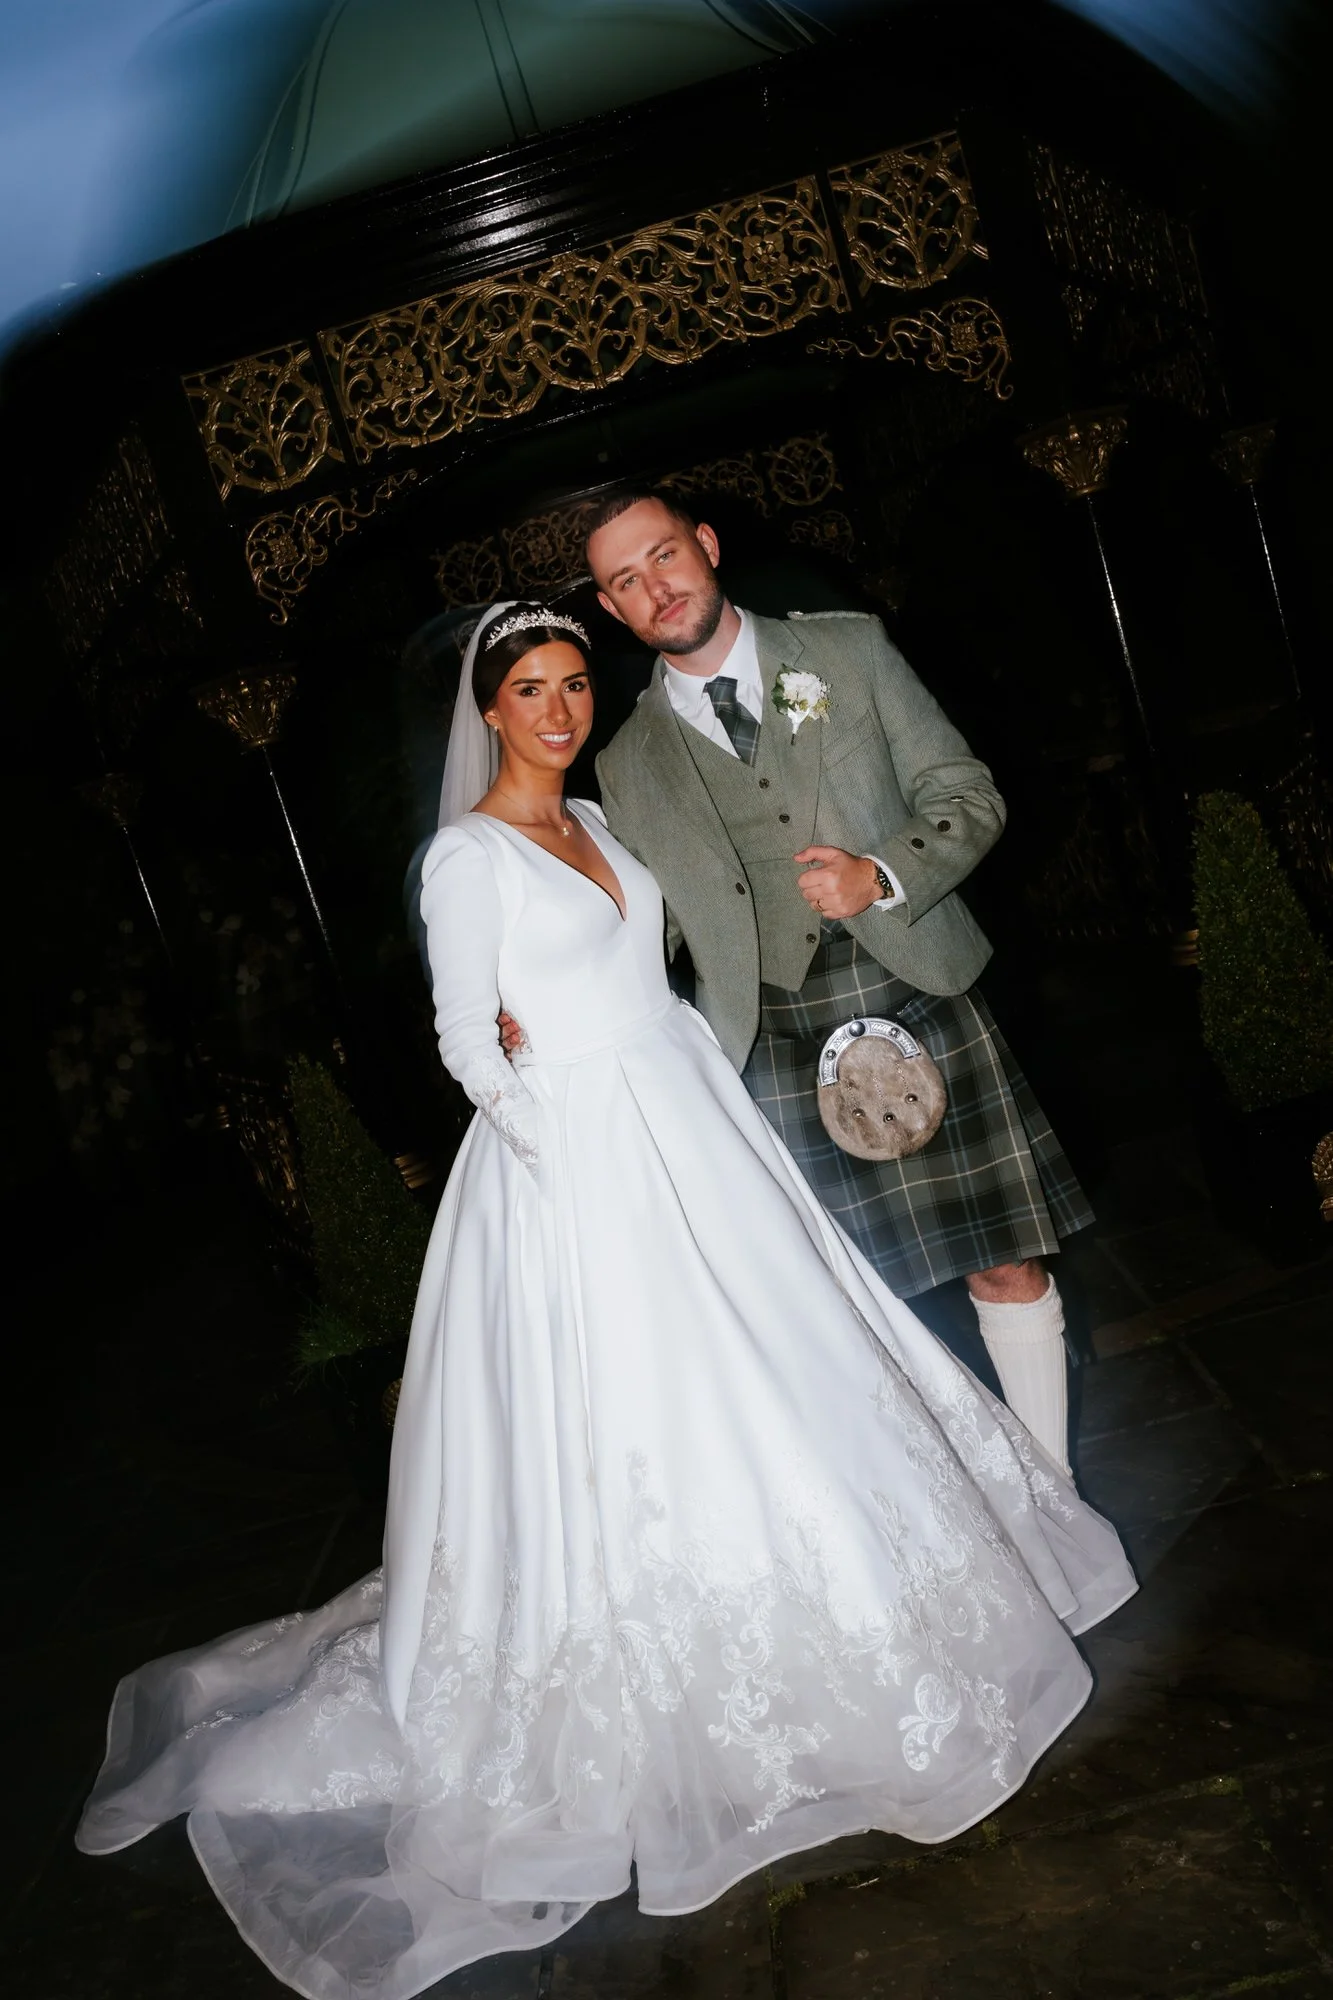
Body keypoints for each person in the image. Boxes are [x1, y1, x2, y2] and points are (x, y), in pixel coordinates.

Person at [75, 603, 1135, 2000]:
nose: (561, 708)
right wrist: (554, 1154)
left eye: (576, 682)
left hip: (689, 1112)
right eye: (532, 688)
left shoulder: (597, 819)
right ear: (490, 708)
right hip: (577, 1166)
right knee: (646, 1409)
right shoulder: (466, 857)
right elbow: (466, 1040)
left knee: (787, 1372)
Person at [585, 489, 1091, 1474]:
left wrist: (883, 872)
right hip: (764, 1035)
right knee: (843, 1304)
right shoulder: (627, 760)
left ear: (706, 544)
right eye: (626, 581)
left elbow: (966, 791)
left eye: (665, 555)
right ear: (612, 608)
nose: (656, 588)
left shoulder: (847, 650)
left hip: (915, 983)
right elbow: (656, 928)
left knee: (1002, 1258)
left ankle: (1055, 1490)